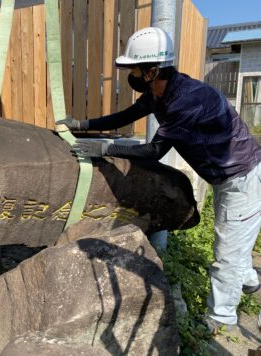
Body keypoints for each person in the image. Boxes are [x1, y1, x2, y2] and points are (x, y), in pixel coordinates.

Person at [56, 26, 261, 334]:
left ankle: (220, 319)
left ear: (151, 71)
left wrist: (105, 147)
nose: (131, 74)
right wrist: (82, 124)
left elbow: (154, 150)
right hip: (226, 174)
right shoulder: (159, 93)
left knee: (227, 252)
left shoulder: (186, 100)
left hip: (241, 176)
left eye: (134, 68)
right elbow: (125, 116)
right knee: (233, 235)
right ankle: (248, 281)